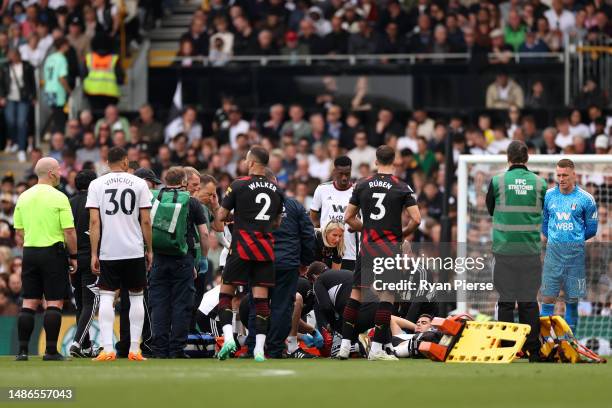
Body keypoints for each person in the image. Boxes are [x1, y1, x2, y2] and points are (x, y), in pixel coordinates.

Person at [338, 145, 421, 361]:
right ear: (394, 162)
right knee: (386, 298)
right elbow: (417, 219)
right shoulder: (402, 187)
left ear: (376, 161)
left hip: (367, 248)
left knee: (356, 295)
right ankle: (376, 349)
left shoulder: (362, 185)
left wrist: (365, 228)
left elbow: (348, 217)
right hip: (389, 250)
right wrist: (402, 233)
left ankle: (345, 345)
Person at [213, 146, 284, 362]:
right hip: (265, 250)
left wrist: (236, 216)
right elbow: (278, 222)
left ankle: (228, 338)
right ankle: (260, 350)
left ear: (251, 162)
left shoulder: (238, 185)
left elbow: (221, 216)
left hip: (241, 248)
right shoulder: (277, 189)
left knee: (226, 294)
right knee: (262, 301)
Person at [86, 147, 153, 361]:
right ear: (125, 161)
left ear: (107, 162)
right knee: (136, 297)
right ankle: (134, 349)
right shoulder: (139, 183)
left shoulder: (96, 184)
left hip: (108, 250)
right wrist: (149, 249)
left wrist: (94, 253)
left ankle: (107, 349)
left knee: (106, 296)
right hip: (133, 249)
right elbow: (146, 220)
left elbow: (94, 222)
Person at [244, 168, 315, 359]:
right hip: (287, 263)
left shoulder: (250, 205)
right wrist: (304, 262)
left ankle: (253, 348)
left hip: (260, 262)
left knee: (257, 305)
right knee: (282, 308)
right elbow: (308, 235)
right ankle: (275, 350)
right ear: (275, 182)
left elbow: (242, 234)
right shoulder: (293, 205)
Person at [486, 141, 547, 362]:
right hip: (530, 250)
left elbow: (491, 209)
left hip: (504, 250)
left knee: (505, 301)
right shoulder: (540, 183)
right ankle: (533, 351)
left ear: (507, 158)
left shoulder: (497, 181)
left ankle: (507, 349)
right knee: (529, 301)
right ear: (527, 158)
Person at [13, 157, 78, 361]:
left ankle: (22, 351)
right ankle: (50, 351)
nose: (61, 173)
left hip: (30, 252)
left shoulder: (23, 196)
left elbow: (19, 232)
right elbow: (69, 231)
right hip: (53, 252)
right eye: (58, 169)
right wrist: (74, 255)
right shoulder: (60, 197)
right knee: (54, 302)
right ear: (51, 173)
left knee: (29, 302)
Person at [148, 167, 208, 358]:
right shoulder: (191, 202)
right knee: (181, 304)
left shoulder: (154, 199)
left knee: (159, 304)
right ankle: (176, 349)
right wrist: (202, 259)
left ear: (166, 180)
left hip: (158, 257)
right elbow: (205, 233)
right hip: (183, 260)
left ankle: (159, 349)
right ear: (184, 181)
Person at [541, 159, 598, 334]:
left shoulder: (586, 199)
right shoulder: (548, 196)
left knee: (572, 300)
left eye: (565, 175)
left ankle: (569, 341)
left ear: (574, 174)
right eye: (558, 175)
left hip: (575, 257)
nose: (561, 178)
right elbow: (544, 225)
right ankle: (546, 342)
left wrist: (574, 241)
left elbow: (592, 229)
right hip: (553, 256)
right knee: (548, 298)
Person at [68, 169, 99, 358]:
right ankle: (77, 342)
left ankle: (86, 346)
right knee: (90, 303)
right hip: (91, 258)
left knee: (80, 304)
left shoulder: (69, 203)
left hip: (73, 259)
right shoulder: (95, 203)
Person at [310, 156, 357, 271]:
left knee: (347, 287)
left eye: (347, 174)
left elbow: (363, 221)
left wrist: (354, 227)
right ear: (334, 171)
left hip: (349, 252)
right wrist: (322, 235)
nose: (345, 178)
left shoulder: (357, 191)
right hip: (326, 253)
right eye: (341, 174)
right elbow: (313, 217)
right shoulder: (322, 189)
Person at [0, 48, 36, 163]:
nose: (11, 58)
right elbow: (1, 82)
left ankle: (21, 148)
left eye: (13, 55)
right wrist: (1, 96)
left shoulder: (27, 66)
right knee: (10, 121)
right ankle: (14, 141)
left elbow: (32, 82)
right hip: (9, 97)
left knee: (21, 122)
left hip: (23, 98)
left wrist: (33, 96)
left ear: (18, 55)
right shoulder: (5, 66)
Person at [83, 34, 124, 112]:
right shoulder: (114, 59)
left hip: (92, 93)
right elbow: (120, 78)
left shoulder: (89, 58)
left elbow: (83, 76)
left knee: (95, 115)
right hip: (111, 94)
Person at [42, 38, 71, 134]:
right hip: (58, 90)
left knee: (54, 114)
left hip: (49, 89)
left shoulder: (49, 58)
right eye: (67, 45)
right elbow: (61, 78)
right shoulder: (62, 58)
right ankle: (57, 136)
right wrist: (69, 90)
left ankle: (49, 134)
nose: (68, 47)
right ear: (63, 46)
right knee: (60, 117)